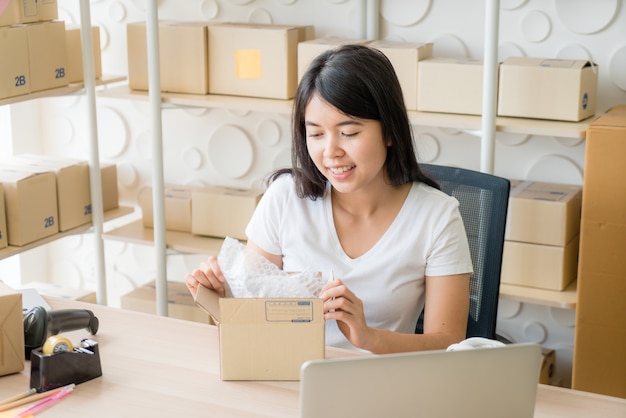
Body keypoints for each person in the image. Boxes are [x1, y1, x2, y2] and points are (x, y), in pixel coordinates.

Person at [185, 44, 472, 354]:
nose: (331, 152)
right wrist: (222, 300)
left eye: (348, 133)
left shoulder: (437, 217)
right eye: (317, 134)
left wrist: (368, 337)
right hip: (288, 373)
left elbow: (448, 345)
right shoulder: (285, 197)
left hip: (380, 383)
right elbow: (251, 327)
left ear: (389, 132)